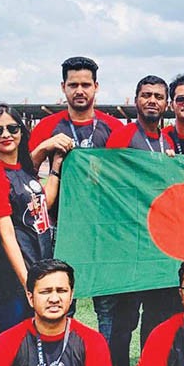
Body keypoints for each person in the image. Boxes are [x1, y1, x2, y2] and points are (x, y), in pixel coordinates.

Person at [28, 56, 124, 344]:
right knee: (60, 300)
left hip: (102, 229)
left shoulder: (113, 127)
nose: (79, 90)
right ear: (63, 87)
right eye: (73, 85)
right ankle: (61, 360)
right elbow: (24, 176)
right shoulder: (47, 127)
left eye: (85, 84)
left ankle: (103, 363)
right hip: (60, 227)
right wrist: (44, 147)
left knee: (107, 306)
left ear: (96, 87)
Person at [106, 75, 182, 366]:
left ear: (166, 103)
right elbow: (107, 182)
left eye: (158, 96)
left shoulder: (167, 140)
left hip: (160, 248)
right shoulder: (123, 136)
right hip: (128, 246)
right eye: (146, 95)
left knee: (158, 319)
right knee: (124, 321)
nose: (152, 100)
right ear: (136, 99)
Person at [0, 103, 57, 339]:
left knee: (36, 342)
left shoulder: (22, 168)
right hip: (10, 277)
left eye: (12, 128)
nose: (6, 135)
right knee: (11, 343)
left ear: (21, 131)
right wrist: (28, 283)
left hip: (35, 267)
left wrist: (56, 167)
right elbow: (6, 235)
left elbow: (41, 205)